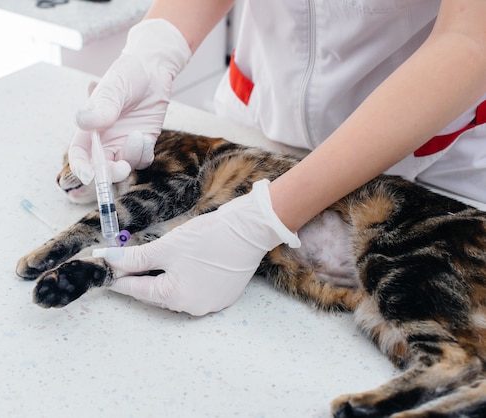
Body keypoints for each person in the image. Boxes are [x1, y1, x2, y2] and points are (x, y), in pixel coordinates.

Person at [69, 0, 486, 316]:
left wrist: (262, 219)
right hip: (259, 119)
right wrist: (156, 50)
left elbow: (469, 39)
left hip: (423, 161)